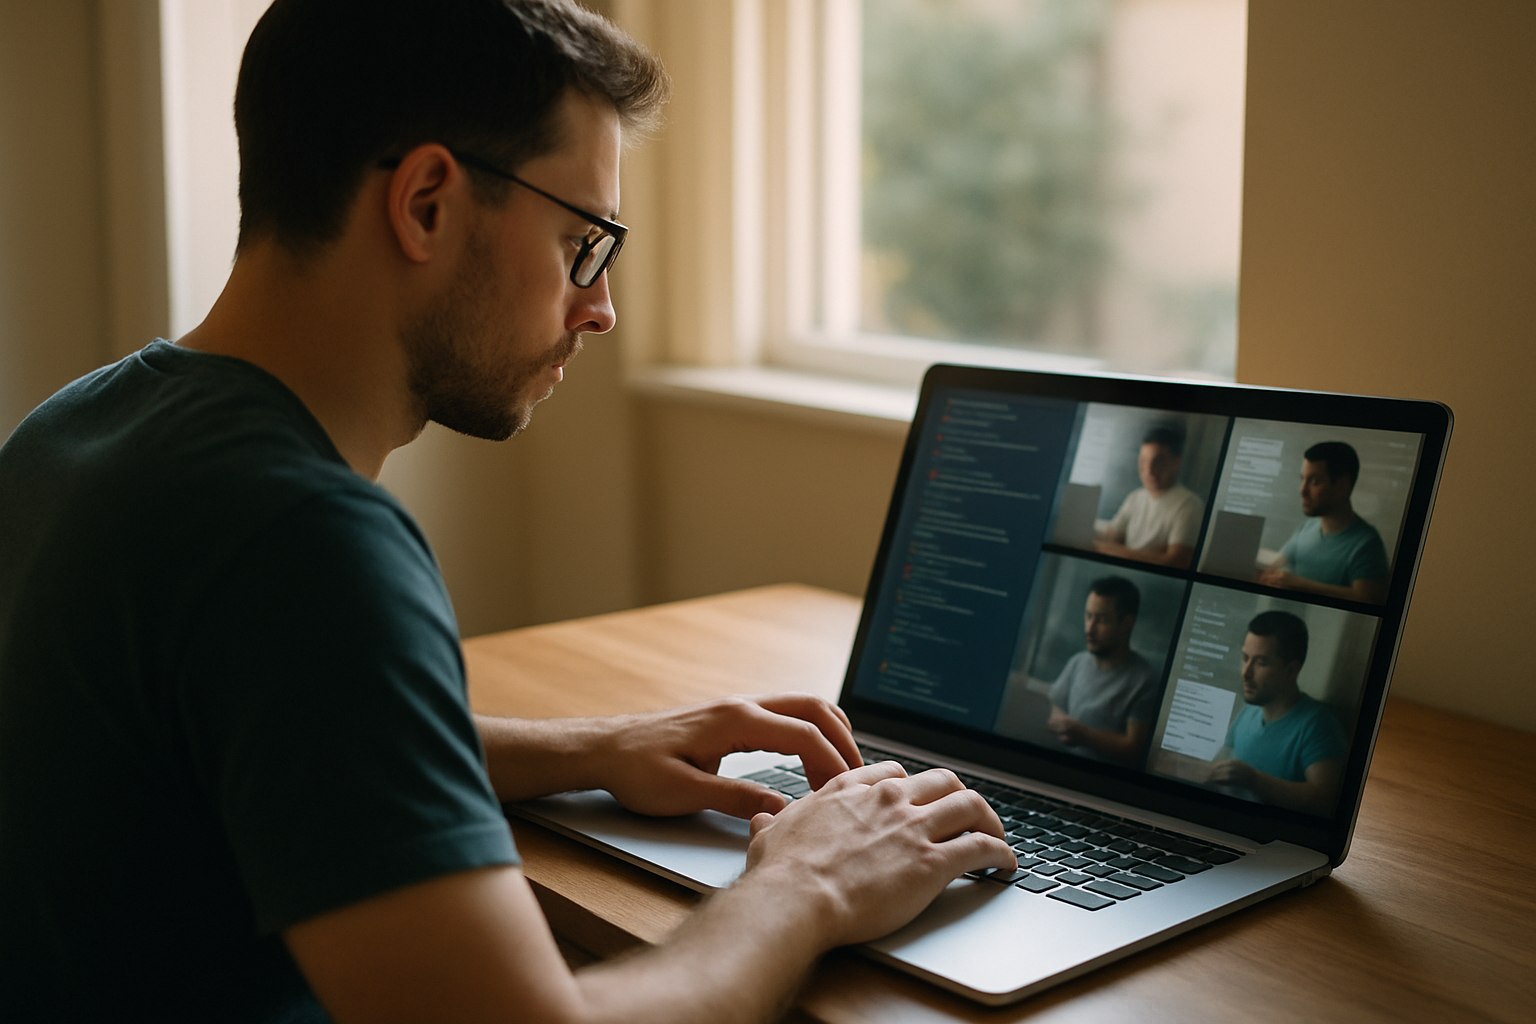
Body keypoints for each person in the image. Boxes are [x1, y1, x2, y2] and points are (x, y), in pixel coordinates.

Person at [0, 2, 1014, 1021]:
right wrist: (810, 881)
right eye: (582, 239)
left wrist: (590, 747)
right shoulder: (301, 542)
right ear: (428, 202)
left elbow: (271, 732)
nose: (601, 304)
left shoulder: (78, 433)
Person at [1206, 611, 1347, 816]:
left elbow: (1326, 799)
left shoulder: (1318, 724)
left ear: (1291, 670)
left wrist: (1254, 780)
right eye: (1245, 658)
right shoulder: (1248, 713)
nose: (1246, 672)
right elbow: (1216, 765)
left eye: (1261, 663)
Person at [1045, 577, 1160, 766]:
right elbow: (1057, 707)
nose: (1090, 629)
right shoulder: (1077, 662)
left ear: (1126, 624)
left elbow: (1133, 749)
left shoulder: (1145, 680)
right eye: (1088, 616)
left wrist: (1083, 734)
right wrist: (1061, 724)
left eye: (1102, 620)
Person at [1258, 441, 1390, 604]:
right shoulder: (1307, 528)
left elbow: (1366, 598)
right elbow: (1276, 566)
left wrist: (1303, 586)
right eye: (1303, 479)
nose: (1302, 491)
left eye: (1314, 482)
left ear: (1342, 485)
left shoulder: (1367, 544)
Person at [1093, 426, 1203, 569]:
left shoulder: (1189, 504)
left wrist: (1107, 549)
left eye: (1158, 461)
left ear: (1176, 463)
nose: (1149, 470)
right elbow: (1112, 536)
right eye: (1144, 461)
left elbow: (1177, 562)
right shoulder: (1135, 497)